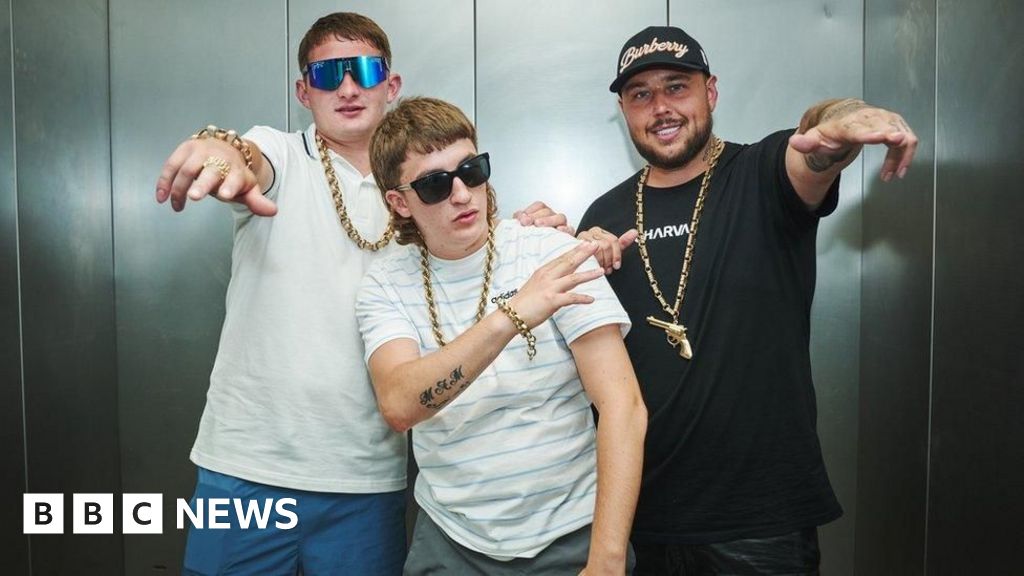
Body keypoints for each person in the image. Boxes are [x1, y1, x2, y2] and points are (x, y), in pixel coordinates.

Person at [153, 13, 568, 575]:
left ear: (390, 86)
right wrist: (221, 150)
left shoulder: (429, 185)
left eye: (365, 71)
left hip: (368, 477)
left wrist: (543, 230)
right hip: (247, 464)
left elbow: (480, 243)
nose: (348, 88)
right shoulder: (280, 153)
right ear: (304, 92)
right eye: (328, 75)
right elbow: (244, 157)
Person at [577, 25, 918, 575]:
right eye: (641, 94)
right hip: (641, 518)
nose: (660, 107)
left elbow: (815, 145)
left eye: (676, 87)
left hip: (761, 522)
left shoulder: (762, 171)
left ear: (710, 92)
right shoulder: (605, 215)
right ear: (624, 110)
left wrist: (845, 119)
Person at [355, 96, 648, 575]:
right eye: (434, 184)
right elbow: (400, 405)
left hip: (572, 534)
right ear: (399, 202)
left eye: (471, 171)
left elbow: (623, 406)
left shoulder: (550, 253)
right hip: (453, 541)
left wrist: (607, 560)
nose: (462, 194)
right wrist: (512, 315)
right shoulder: (385, 284)